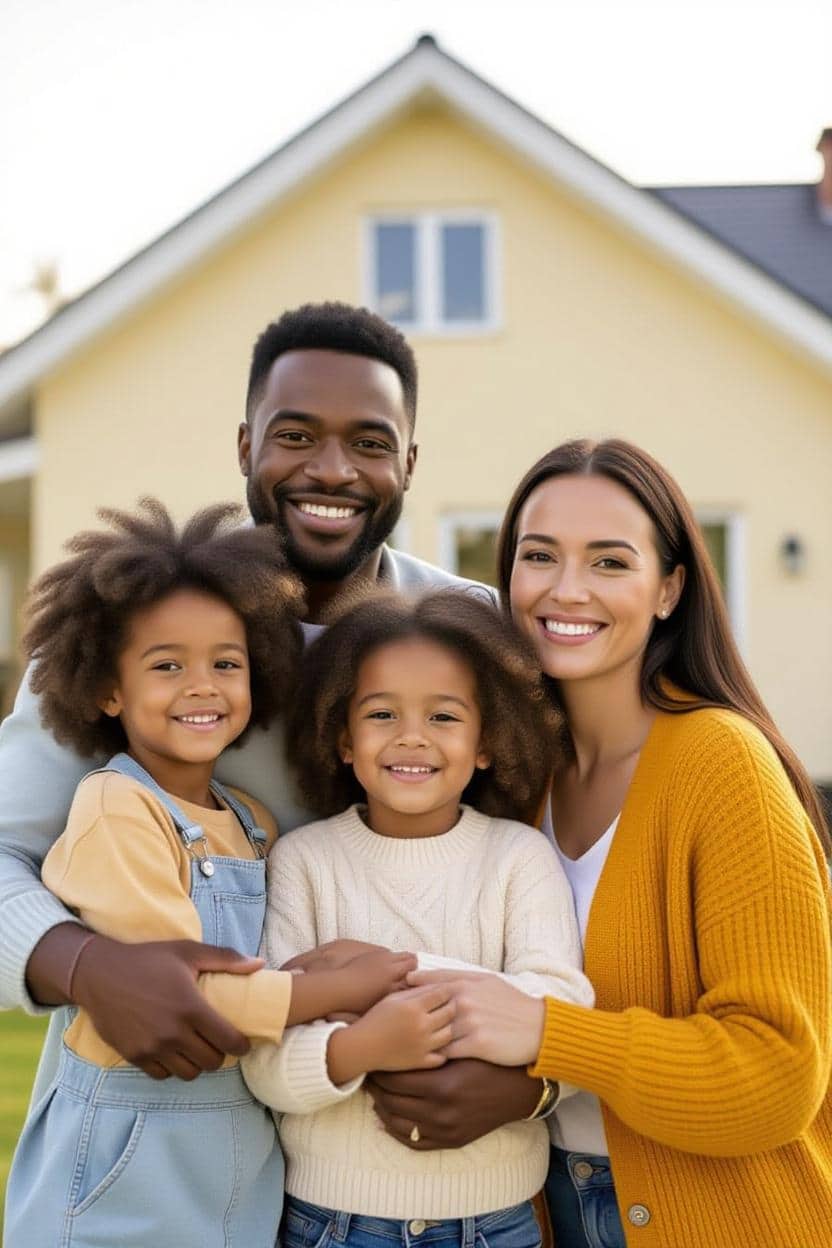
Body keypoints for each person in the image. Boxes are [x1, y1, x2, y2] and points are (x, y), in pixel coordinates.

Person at [0, 302, 503, 1110]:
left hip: (387, 1164)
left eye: (369, 443)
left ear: (409, 462)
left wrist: (531, 1082)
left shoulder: (468, 634)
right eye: (296, 436)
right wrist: (82, 965)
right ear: (246, 445)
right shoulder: (136, 618)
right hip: (161, 1126)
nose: (332, 471)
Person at [408, 439, 832, 1248]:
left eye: (609, 562)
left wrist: (546, 1034)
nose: (567, 590)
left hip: (732, 1220)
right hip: (540, 1208)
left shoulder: (723, 763)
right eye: (540, 556)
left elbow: (781, 1074)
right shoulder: (512, 776)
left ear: (668, 588)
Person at [4, 499, 427, 1248]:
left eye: (225, 664)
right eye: (167, 666)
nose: (202, 686)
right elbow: (189, 997)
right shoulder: (117, 808)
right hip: (124, 1167)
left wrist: (327, 962)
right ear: (109, 690)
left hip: (238, 1171)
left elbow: (261, 960)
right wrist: (345, 987)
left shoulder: (250, 821)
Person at [241, 590, 594, 1244]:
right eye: (382, 713)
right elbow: (265, 1059)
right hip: (331, 1223)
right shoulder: (305, 862)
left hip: (494, 1223)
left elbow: (564, 1020)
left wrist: (366, 981)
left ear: (486, 742)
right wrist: (365, 1044)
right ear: (342, 739)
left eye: (443, 716)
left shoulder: (518, 858)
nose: (412, 736)